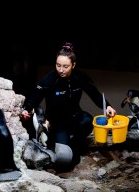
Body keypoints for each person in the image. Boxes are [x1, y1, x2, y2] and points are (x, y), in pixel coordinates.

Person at [20, 42, 116, 171]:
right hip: (57, 122)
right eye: (58, 65)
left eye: (65, 66)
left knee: (88, 120)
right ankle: (56, 139)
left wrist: (108, 107)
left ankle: (75, 144)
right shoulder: (50, 79)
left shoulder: (80, 77)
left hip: (75, 117)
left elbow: (95, 95)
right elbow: (35, 97)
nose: (60, 70)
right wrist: (26, 109)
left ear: (73, 65)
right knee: (64, 160)